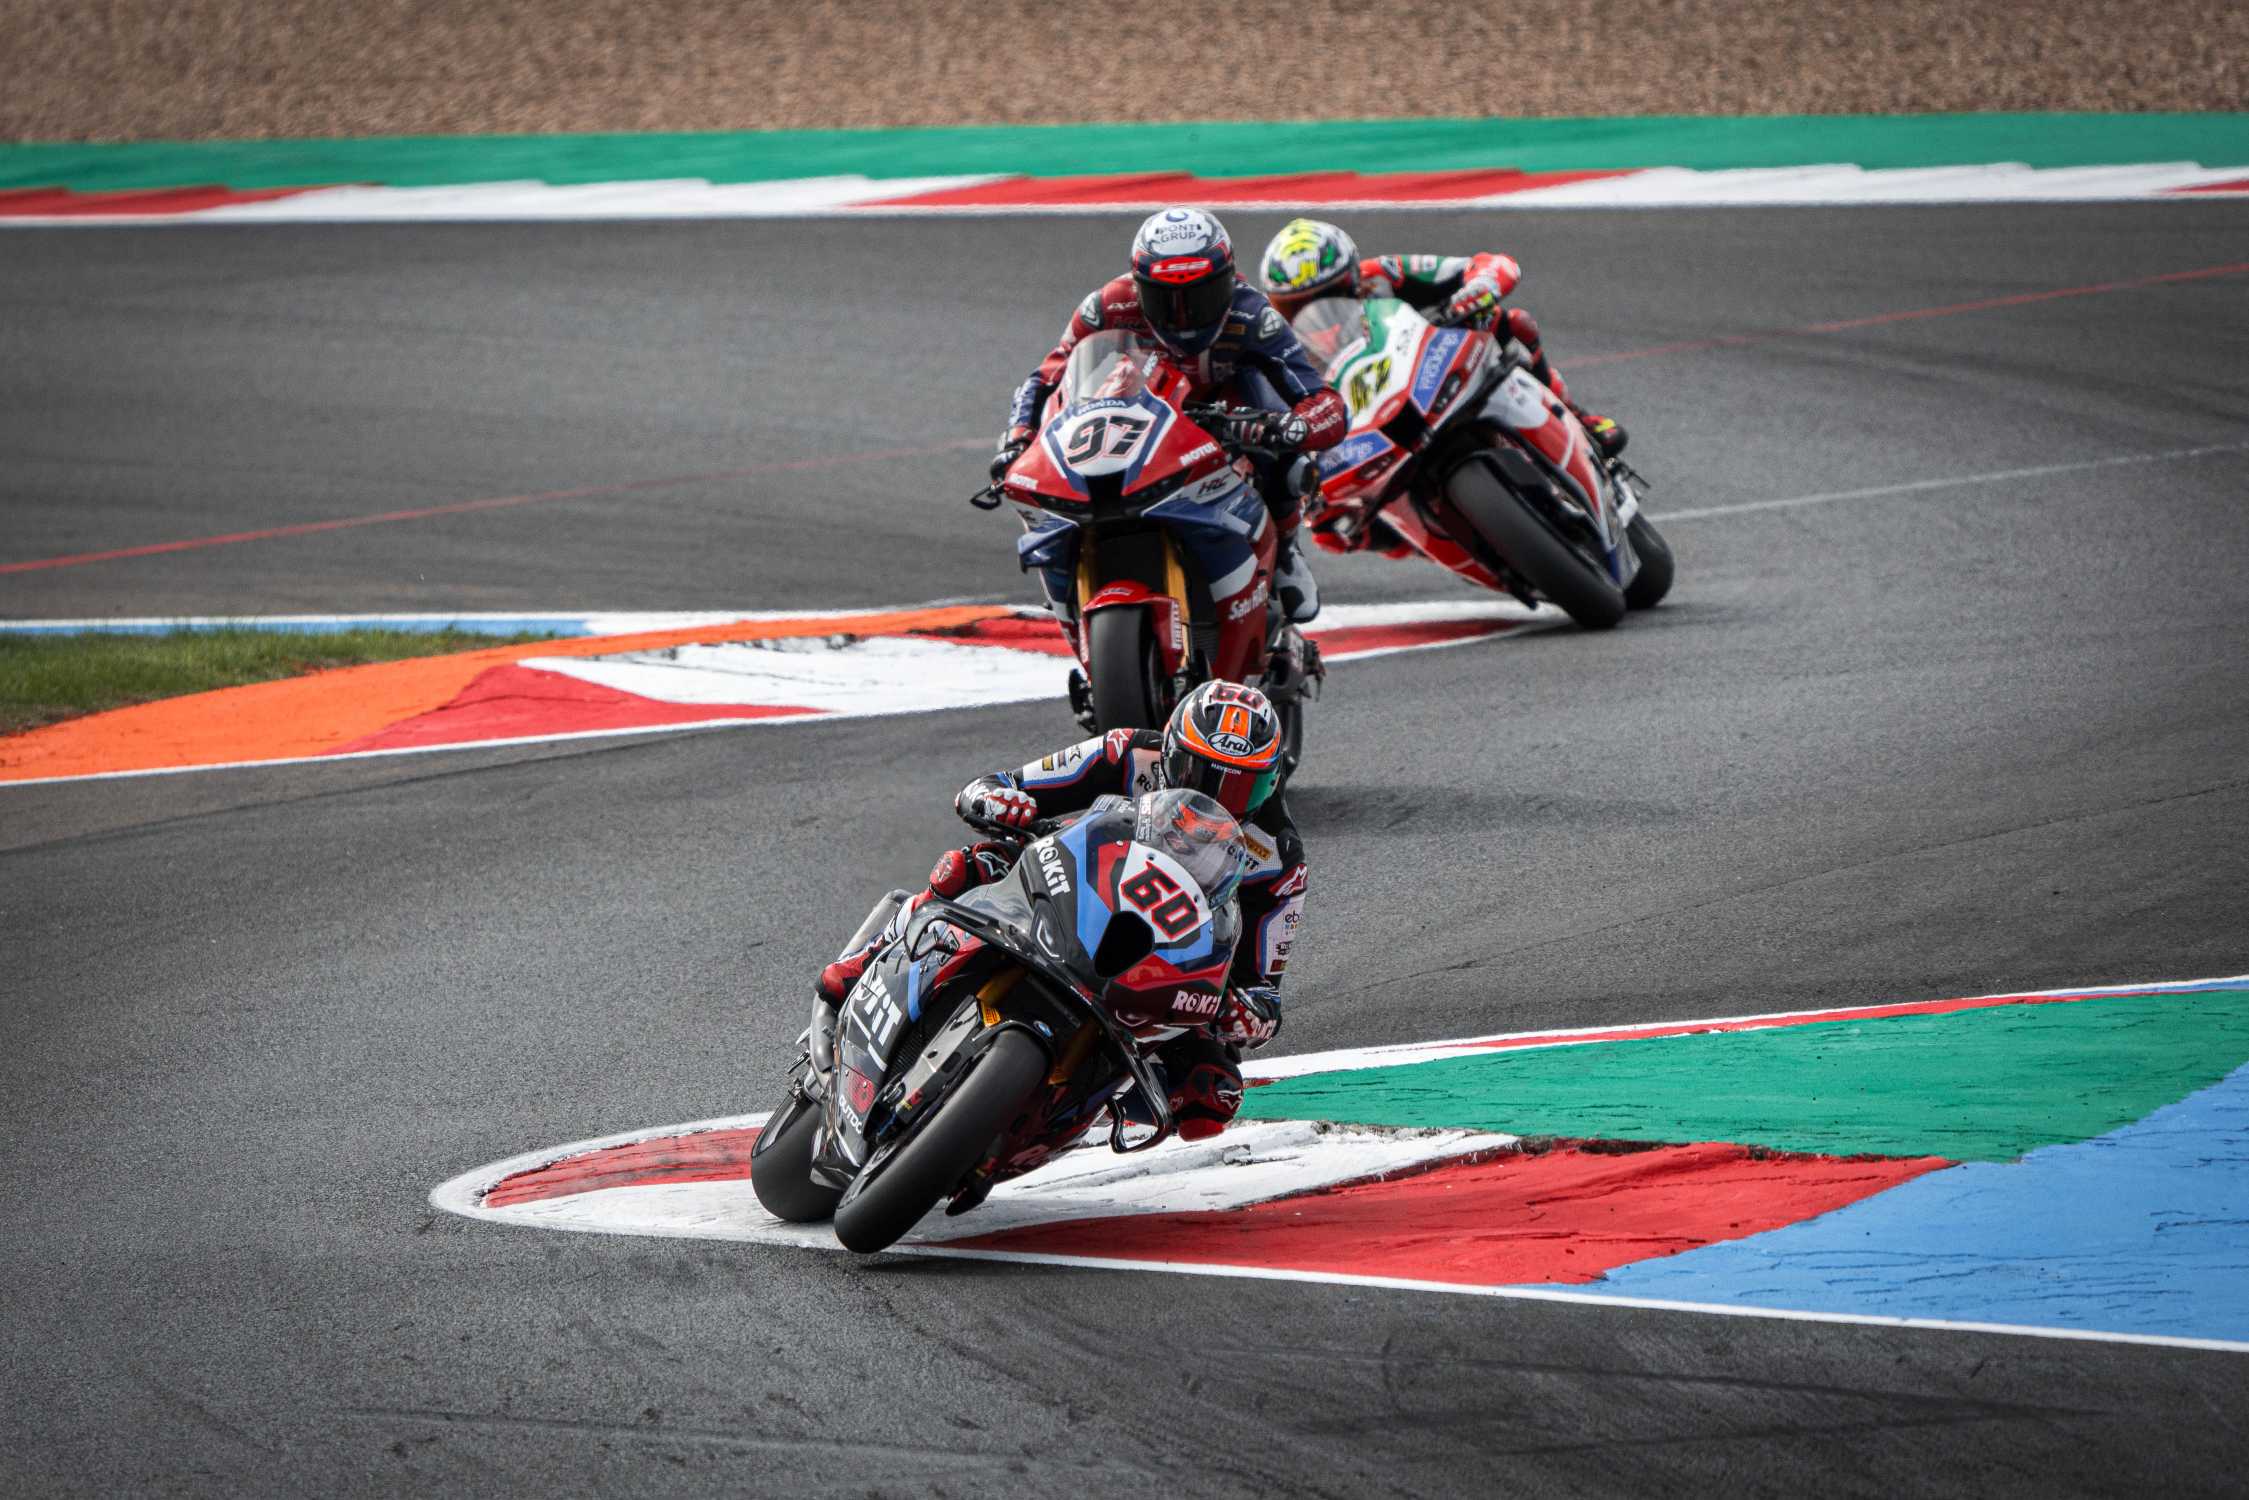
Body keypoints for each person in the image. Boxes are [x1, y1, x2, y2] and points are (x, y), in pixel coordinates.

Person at [816, 681, 1306, 1141]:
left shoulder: (1279, 858)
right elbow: (1000, 783)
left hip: (1159, 968)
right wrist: (997, 801)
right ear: (1173, 752)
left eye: (1239, 789)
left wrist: (1250, 1015)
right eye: (1202, 775)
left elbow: (1264, 989)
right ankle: (868, 959)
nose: (1214, 798)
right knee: (975, 864)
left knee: (1212, 1093)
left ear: (1271, 783)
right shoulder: (1128, 752)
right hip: (1071, 892)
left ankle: (1070, 1111)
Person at [993, 208, 1348, 623]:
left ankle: (1284, 550)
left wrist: (1289, 427)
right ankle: (1071, 565)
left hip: (1224, 417)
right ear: (1140, 288)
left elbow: (1323, 400)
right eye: (1166, 299)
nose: (1184, 316)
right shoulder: (1106, 306)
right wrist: (1018, 437)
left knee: (1288, 462)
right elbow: (1046, 378)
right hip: (1137, 414)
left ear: (1228, 282)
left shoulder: (1254, 315)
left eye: (1201, 297)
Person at [1256, 216, 1627, 459]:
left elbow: (1491, 264)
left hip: (1428, 367)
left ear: (1352, 277)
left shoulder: (1381, 274)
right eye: (1294, 307)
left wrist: (1478, 289)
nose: (1313, 313)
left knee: (1509, 322)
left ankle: (1577, 418)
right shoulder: (1276, 341)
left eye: (1328, 295)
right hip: (1367, 421)